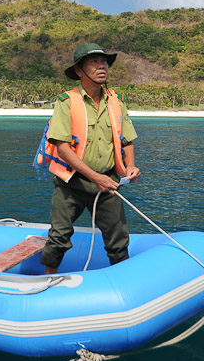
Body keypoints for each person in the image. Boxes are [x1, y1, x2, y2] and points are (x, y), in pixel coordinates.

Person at [39, 43, 141, 274]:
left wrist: (131, 166)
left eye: (104, 61)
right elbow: (63, 148)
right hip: (71, 183)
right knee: (59, 237)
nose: (102, 66)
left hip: (107, 182)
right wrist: (95, 177)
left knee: (118, 239)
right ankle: (47, 283)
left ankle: (122, 282)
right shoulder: (66, 101)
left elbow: (127, 140)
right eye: (94, 62)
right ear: (79, 70)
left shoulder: (117, 100)